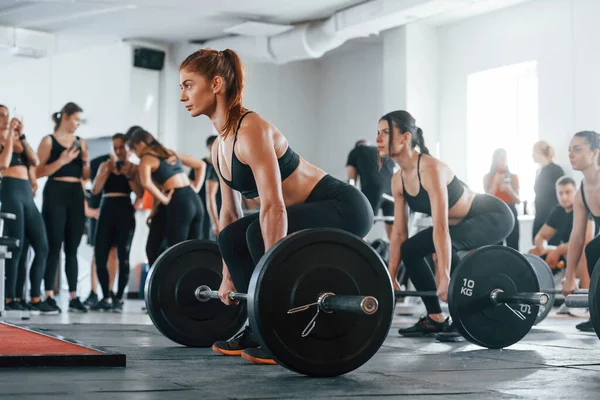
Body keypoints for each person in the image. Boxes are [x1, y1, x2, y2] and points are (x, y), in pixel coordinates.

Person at [178, 48, 374, 365]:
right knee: (230, 237)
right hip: (301, 212)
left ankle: (278, 328)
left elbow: (274, 207)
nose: (183, 95)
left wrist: (275, 277)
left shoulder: (250, 128)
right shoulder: (219, 146)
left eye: (188, 84)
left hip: (342, 206)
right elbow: (229, 216)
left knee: (258, 233)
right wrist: (228, 276)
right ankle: (260, 327)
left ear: (215, 84)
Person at [379, 110, 514, 338]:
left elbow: (441, 229)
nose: (377, 139)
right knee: (410, 249)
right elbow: (399, 234)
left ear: (404, 138)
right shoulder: (398, 180)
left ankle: (465, 319)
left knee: (445, 250)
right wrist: (390, 276)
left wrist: (444, 275)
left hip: (493, 215)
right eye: (378, 132)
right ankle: (435, 318)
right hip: (459, 224)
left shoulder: (430, 169)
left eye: (385, 132)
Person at [36, 102, 89, 313]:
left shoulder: (81, 142)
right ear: (65, 117)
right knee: (53, 246)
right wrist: (62, 160)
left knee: (72, 248)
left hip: (75, 194)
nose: (78, 124)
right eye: (76, 119)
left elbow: (86, 177)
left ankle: (74, 296)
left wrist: (85, 162)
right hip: (55, 193)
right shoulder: (48, 141)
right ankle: (48, 294)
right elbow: (38, 171)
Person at [0, 105, 52, 313]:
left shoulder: (18, 140)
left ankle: (34, 296)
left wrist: (21, 136)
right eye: (1, 116)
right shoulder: (4, 143)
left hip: (26, 194)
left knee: (41, 245)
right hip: (10, 189)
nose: (5, 118)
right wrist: (10, 138)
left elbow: (36, 161)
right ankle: (9, 297)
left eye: (7, 115)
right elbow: (3, 163)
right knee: (16, 248)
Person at [90, 134, 143, 312]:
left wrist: (129, 174)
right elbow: (96, 190)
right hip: (106, 210)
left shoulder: (134, 168)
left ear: (128, 149)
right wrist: (106, 170)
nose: (118, 151)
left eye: (122, 147)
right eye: (115, 147)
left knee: (123, 255)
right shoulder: (105, 165)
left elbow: (140, 193)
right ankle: (106, 295)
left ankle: (119, 297)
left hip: (125, 211)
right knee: (100, 254)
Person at [129, 130, 206, 247]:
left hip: (179, 200)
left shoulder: (146, 158)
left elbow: (146, 183)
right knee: (194, 249)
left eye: (134, 149)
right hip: (194, 199)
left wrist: (164, 199)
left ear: (140, 144)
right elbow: (201, 164)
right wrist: (195, 189)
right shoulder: (169, 152)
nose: (135, 153)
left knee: (176, 249)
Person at [562, 131, 600, 332]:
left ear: (595, 153)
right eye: (569, 150)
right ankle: (597, 314)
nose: (570, 154)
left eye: (577, 149)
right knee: (593, 249)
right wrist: (569, 277)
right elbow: (576, 237)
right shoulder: (582, 192)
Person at [529, 176, 593, 284]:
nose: (564, 197)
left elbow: (585, 240)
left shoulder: (585, 208)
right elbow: (540, 237)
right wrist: (543, 248)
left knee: (582, 252)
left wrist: (557, 251)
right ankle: (544, 290)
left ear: (576, 191)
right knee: (533, 252)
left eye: (568, 192)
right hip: (567, 252)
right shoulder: (558, 211)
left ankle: (586, 295)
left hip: (586, 252)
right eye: (560, 193)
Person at [346, 139, 395, 239]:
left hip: (374, 188)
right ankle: (397, 254)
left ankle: (359, 253)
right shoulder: (382, 152)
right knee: (392, 229)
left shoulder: (356, 151)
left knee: (364, 225)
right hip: (392, 189)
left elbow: (351, 179)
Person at [483, 149, 520, 250]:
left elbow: (518, 200)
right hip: (494, 212)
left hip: (511, 210)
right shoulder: (488, 177)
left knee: (513, 245)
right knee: (495, 246)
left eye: (505, 157)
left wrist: (509, 190)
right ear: (495, 159)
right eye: (501, 157)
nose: (503, 160)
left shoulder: (513, 177)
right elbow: (486, 200)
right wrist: (495, 184)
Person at [189, 135, 221, 239]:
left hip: (219, 204)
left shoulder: (222, 164)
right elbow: (190, 183)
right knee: (204, 235)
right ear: (210, 147)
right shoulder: (200, 165)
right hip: (202, 203)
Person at [532, 141, 565, 242]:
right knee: (536, 244)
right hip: (539, 215)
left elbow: (562, 194)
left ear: (539, 152)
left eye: (533, 152)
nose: (532, 155)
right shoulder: (539, 171)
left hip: (551, 216)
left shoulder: (556, 170)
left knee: (550, 246)